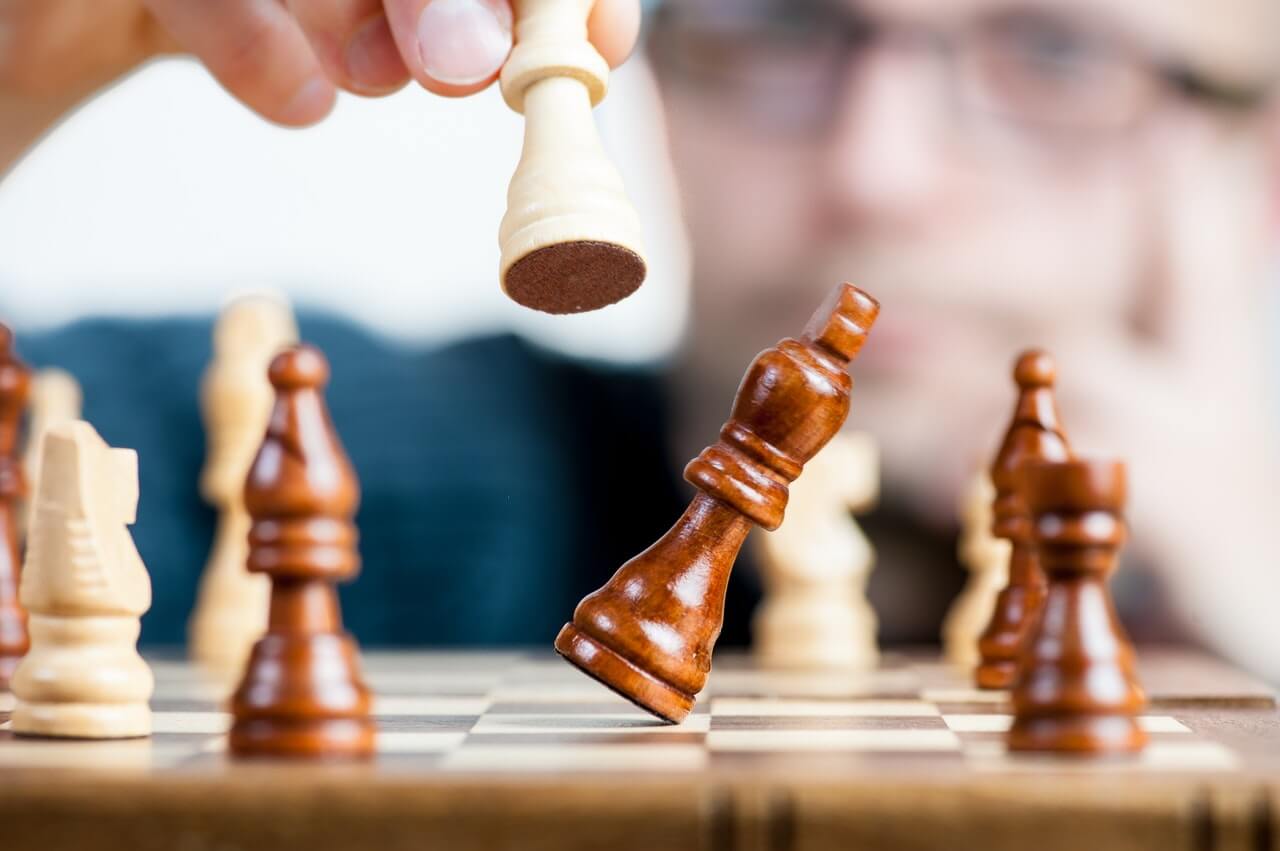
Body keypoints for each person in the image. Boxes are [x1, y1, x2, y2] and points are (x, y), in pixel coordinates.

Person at [3, 0, 1279, 681]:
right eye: (777, 18)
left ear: (1259, 164)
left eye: (1055, 50)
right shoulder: (397, 470)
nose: (874, 170)